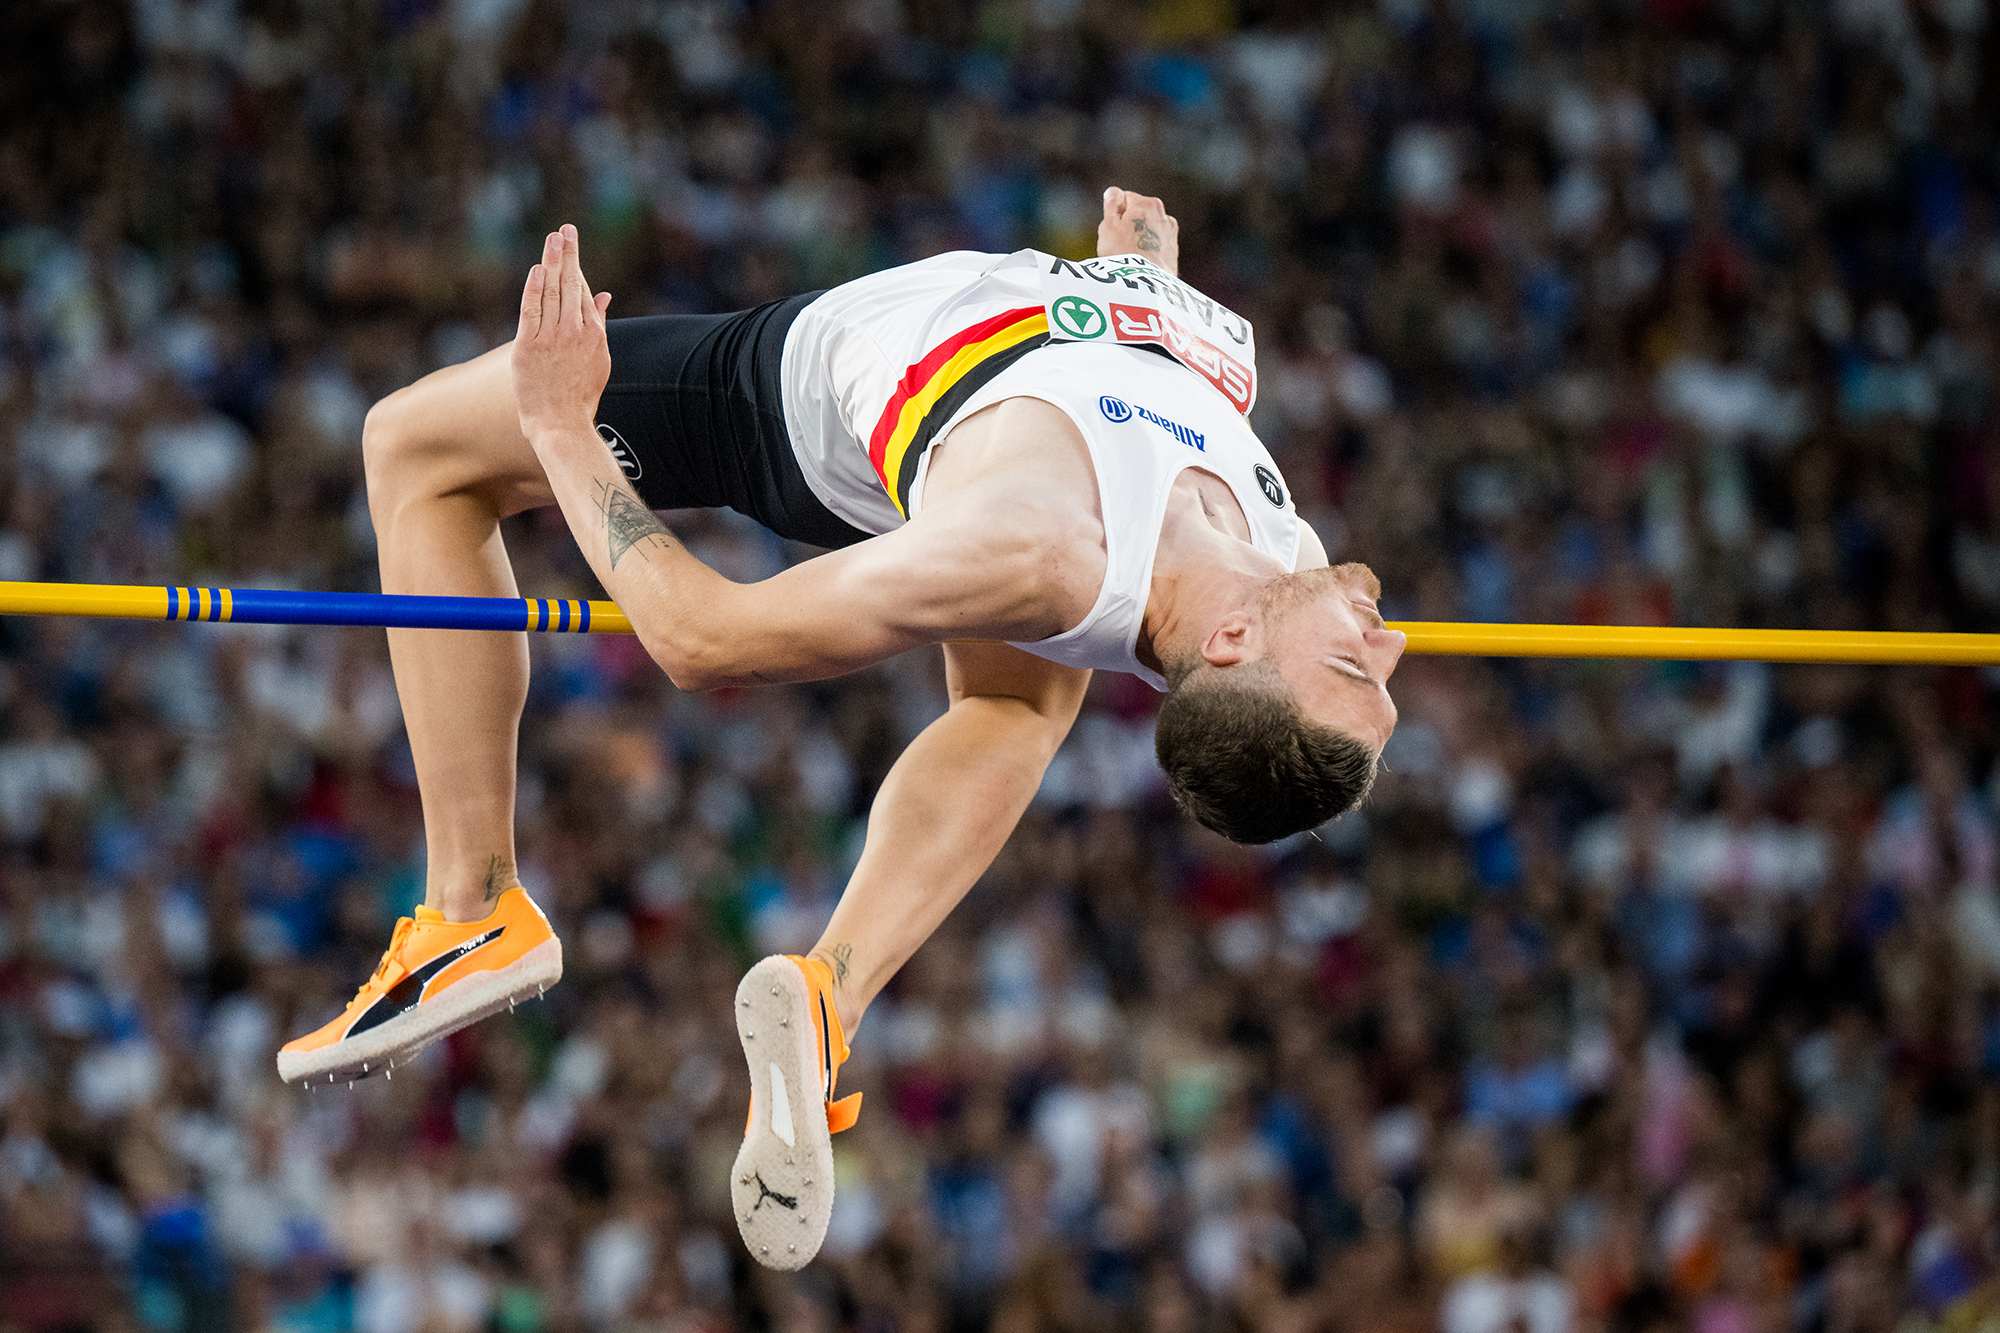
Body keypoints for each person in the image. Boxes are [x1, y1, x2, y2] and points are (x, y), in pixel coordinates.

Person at [275, 189, 1406, 1268]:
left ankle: (471, 907)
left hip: (788, 388)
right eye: (1379, 673)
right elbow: (1156, 440)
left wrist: (560, 425)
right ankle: (831, 991)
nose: (1387, 638)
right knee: (1017, 698)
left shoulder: (1030, 546)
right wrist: (1144, 290)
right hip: (1054, 388)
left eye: (1355, 661)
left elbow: (701, 640)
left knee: (412, 451)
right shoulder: (1277, 562)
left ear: (1224, 650)